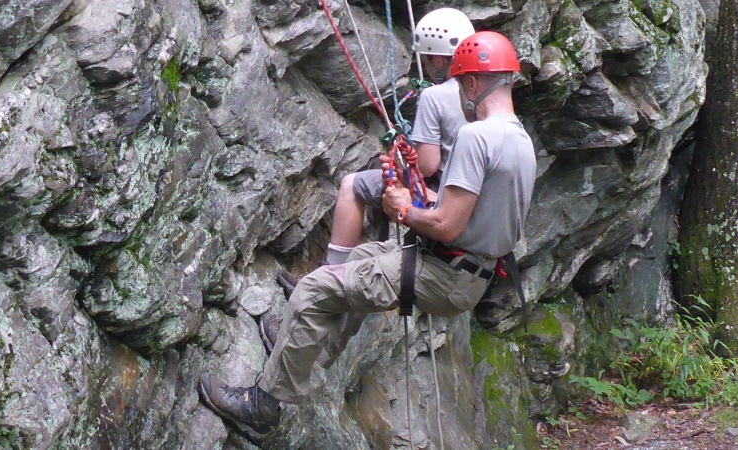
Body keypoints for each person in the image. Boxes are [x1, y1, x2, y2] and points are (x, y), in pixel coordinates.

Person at [199, 31, 537, 443]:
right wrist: (416, 197)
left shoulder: (476, 136)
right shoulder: (520, 140)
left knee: (312, 289)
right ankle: (304, 352)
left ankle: (264, 405)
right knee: (358, 263)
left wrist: (403, 210)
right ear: (509, 79)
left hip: (442, 270)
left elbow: (447, 225)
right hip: (467, 273)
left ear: (470, 83)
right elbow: (471, 212)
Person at [301, 8, 476, 269]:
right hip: (470, 198)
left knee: (352, 185)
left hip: (438, 196)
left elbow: (427, 165)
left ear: (439, 60)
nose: (426, 68)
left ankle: (330, 273)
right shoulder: (480, 90)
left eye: (426, 61)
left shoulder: (434, 96)